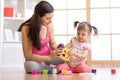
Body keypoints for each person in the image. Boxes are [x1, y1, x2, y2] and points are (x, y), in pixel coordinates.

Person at [18, 1, 64, 73]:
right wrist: (48, 58)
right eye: (48, 18)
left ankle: (49, 68)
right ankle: (54, 68)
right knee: (30, 66)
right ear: (39, 17)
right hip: (36, 60)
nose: (51, 21)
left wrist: (60, 49)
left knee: (67, 58)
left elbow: (53, 45)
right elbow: (27, 55)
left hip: (49, 58)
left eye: (51, 18)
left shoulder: (50, 26)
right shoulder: (26, 28)